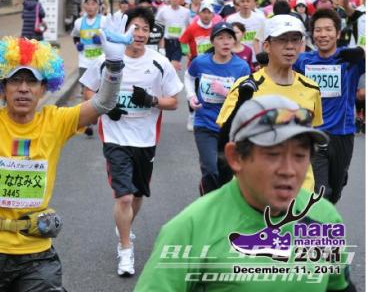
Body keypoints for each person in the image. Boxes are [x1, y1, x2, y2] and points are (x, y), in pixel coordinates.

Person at [0, 0, 133, 291]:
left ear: (44, 88)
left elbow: (104, 102)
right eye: (15, 81)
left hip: (36, 251)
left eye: (31, 82)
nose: (23, 88)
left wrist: (114, 65)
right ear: (2, 87)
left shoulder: (56, 120)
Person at [135, 95, 356, 292]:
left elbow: (339, 286)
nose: (289, 170)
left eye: (299, 156)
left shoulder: (324, 217)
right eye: (273, 154)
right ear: (235, 157)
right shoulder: (189, 229)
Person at [80, 6, 183, 277]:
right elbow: (88, 88)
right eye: (134, 28)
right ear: (125, 31)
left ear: (150, 34)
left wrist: (151, 100)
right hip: (115, 137)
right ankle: (125, 250)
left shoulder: (158, 61)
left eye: (145, 29)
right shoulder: (109, 59)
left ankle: (124, 223)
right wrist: (104, 105)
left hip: (146, 139)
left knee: (137, 194)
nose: (139, 34)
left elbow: (174, 101)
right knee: (123, 196)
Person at [217, 15, 323, 192]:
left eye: (295, 40)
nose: (290, 46)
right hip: (257, 190)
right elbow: (227, 136)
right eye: (282, 40)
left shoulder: (311, 88)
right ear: (267, 46)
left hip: (301, 190)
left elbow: (314, 133)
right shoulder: (246, 87)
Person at [294, 9, 365, 203]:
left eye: (328, 30)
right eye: (318, 30)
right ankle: (317, 231)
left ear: (338, 34)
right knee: (321, 192)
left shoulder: (350, 60)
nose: (323, 34)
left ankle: (338, 181)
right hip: (313, 133)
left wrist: (361, 52)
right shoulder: (303, 61)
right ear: (312, 34)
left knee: (334, 192)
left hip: (342, 133)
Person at [184, 22, 250, 195]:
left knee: (226, 174)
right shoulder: (201, 62)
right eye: (221, 38)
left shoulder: (241, 67)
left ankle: (216, 198)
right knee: (211, 169)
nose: (226, 42)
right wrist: (191, 96)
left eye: (229, 38)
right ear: (212, 42)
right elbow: (189, 77)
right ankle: (209, 203)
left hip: (229, 128)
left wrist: (227, 92)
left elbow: (246, 97)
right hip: (204, 124)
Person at [179, 0, 221, 131]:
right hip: (196, 65)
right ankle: (192, 115)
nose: (206, 15)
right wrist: (187, 53)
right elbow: (183, 41)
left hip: (212, 65)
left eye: (209, 12)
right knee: (194, 92)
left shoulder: (216, 28)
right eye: (204, 12)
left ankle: (210, 116)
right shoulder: (192, 27)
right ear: (199, 13)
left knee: (209, 91)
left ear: (213, 15)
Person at [71, 0, 107, 136]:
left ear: (98, 6)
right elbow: (74, 36)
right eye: (88, 4)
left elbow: (110, 36)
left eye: (93, 4)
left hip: (100, 61)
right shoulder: (79, 22)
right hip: (84, 61)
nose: (91, 7)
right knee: (86, 91)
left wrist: (102, 39)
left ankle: (95, 115)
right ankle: (88, 121)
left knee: (98, 91)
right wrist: (77, 45)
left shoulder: (104, 21)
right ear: (84, 6)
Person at [155, 0, 191, 71]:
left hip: (179, 43)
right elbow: (157, 25)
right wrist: (160, 45)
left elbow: (189, 28)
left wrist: (187, 47)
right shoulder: (163, 10)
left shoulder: (186, 12)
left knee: (173, 66)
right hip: (166, 42)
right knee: (165, 66)